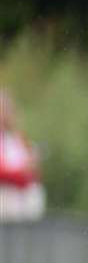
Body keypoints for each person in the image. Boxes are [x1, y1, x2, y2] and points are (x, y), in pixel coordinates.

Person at [0, 91, 45, 221]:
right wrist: (22, 172)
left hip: (21, 196)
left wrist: (31, 166)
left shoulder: (17, 138)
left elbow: (34, 173)